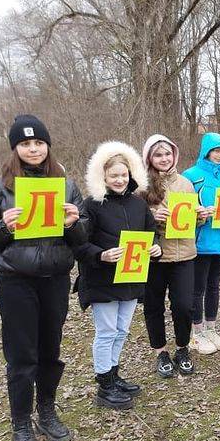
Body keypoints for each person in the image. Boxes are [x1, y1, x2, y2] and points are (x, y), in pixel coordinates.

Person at [0, 115, 87, 441]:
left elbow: (83, 239)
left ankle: (46, 411)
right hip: (15, 282)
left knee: (50, 351)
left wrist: (73, 224)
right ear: (15, 149)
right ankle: (20, 425)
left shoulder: (65, 186)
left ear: (47, 146)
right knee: (22, 356)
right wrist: (4, 228)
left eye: (38, 142)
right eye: (25, 144)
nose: (33, 148)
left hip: (54, 279)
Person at [74, 141, 161, 410]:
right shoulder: (91, 205)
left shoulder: (138, 204)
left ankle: (113, 374)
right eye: (114, 176)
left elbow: (150, 232)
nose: (120, 180)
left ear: (131, 174)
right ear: (103, 177)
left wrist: (155, 246)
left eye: (124, 175)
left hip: (132, 277)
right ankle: (104, 385)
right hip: (102, 279)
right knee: (106, 332)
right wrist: (101, 255)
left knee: (122, 330)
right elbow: (79, 243)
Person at [141, 134, 208, 378]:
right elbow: (131, 222)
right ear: (149, 157)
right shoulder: (140, 185)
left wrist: (200, 216)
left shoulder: (186, 184)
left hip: (185, 255)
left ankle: (182, 349)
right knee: (154, 306)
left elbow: (190, 220)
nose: (164, 158)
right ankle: (161, 352)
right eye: (158, 154)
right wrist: (150, 217)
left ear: (174, 155)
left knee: (183, 305)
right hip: (154, 256)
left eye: (167, 153)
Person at [182, 133, 220, 355]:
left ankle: (211, 328)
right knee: (198, 288)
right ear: (206, 151)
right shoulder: (190, 177)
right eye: (216, 150)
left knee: (214, 286)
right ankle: (197, 332)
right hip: (201, 241)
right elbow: (181, 211)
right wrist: (199, 214)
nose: (219, 155)